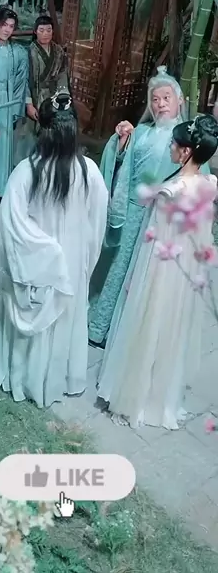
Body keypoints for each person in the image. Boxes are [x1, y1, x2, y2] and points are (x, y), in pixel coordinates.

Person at [0, 90, 108, 408]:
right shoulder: (89, 172)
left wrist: (43, 253)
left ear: (44, 129)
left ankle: (24, 376)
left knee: (35, 316)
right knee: (65, 318)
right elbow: (97, 226)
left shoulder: (27, 171)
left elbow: (11, 225)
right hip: (72, 261)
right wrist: (78, 259)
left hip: (36, 264)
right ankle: (58, 380)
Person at [97, 115, 218, 430]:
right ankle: (156, 396)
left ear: (186, 152)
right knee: (169, 331)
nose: (170, 148)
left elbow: (153, 242)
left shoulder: (171, 191)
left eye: (174, 144)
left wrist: (135, 279)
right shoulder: (209, 185)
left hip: (159, 271)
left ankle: (132, 396)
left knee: (145, 326)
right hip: (185, 271)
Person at [88, 65, 210, 347]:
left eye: (167, 97)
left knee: (144, 277)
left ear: (180, 100)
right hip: (132, 212)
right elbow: (120, 164)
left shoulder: (188, 141)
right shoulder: (141, 132)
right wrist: (121, 141)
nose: (160, 104)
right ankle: (99, 327)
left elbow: (197, 183)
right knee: (118, 268)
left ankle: (127, 334)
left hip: (162, 219)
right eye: (155, 99)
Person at [0, 5, 29, 200]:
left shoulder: (18, 52)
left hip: (6, 101)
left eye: (11, 26)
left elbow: (20, 82)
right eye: (4, 25)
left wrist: (15, 108)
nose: (7, 30)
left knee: (3, 145)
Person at [14, 14, 69, 163]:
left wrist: (62, 97)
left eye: (49, 30)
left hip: (53, 98)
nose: (45, 34)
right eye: (42, 30)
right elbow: (25, 80)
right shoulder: (28, 52)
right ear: (35, 31)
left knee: (52, 133)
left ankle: (48, 163)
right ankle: (26, 165)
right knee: (29, 135)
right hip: (35, 96)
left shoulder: (59, 52)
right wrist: (28, 104)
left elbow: (63, 75)